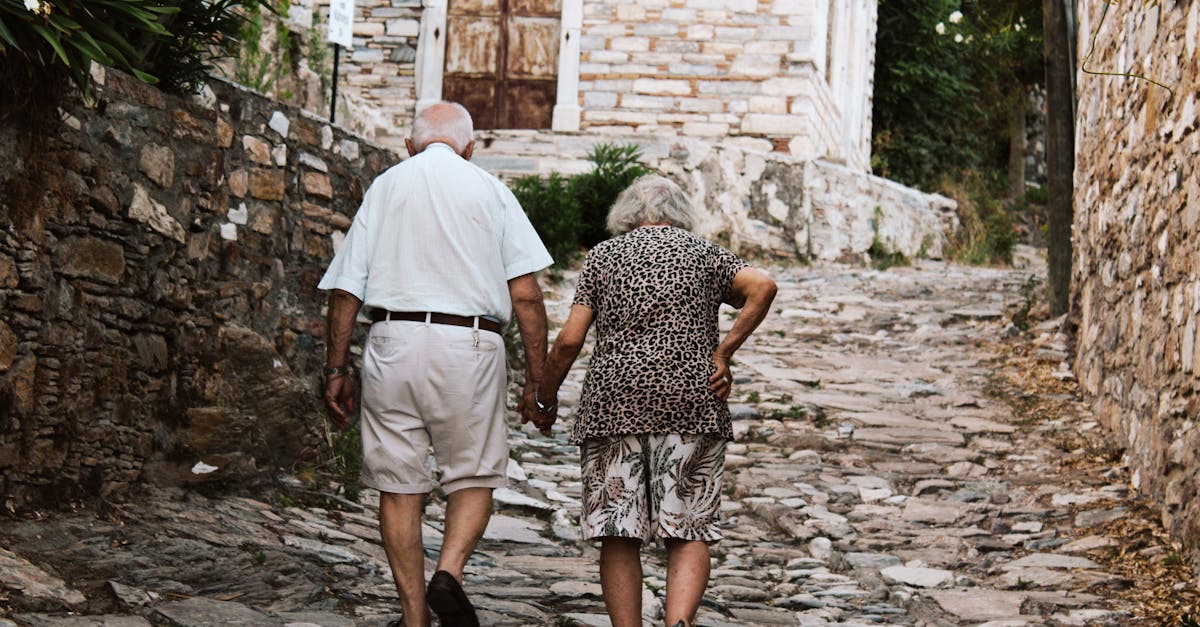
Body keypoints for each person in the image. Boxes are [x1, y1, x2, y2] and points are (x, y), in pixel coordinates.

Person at [318, 101, 555, 627]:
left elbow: (346, 286)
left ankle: (414, 617)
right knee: (472, 475)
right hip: (469, 344)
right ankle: (447, 574)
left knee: (399, 485)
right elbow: (527, 296)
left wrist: (336, 369)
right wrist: (538, 380)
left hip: (393, 340)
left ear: (410, 146)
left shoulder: (387, 185)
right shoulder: (492, 191)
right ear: (470, 148)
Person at [538, 175, 777, 627]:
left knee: (618, 532)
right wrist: (722, 353)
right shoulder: (704, 254)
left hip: (613, 403)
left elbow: (569, 341)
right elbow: (762, 287)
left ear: (624, 214)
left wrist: (544, 397)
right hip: (692, 399)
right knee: (686, 526)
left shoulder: (603, 257)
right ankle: (678, 623)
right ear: (682, 214)